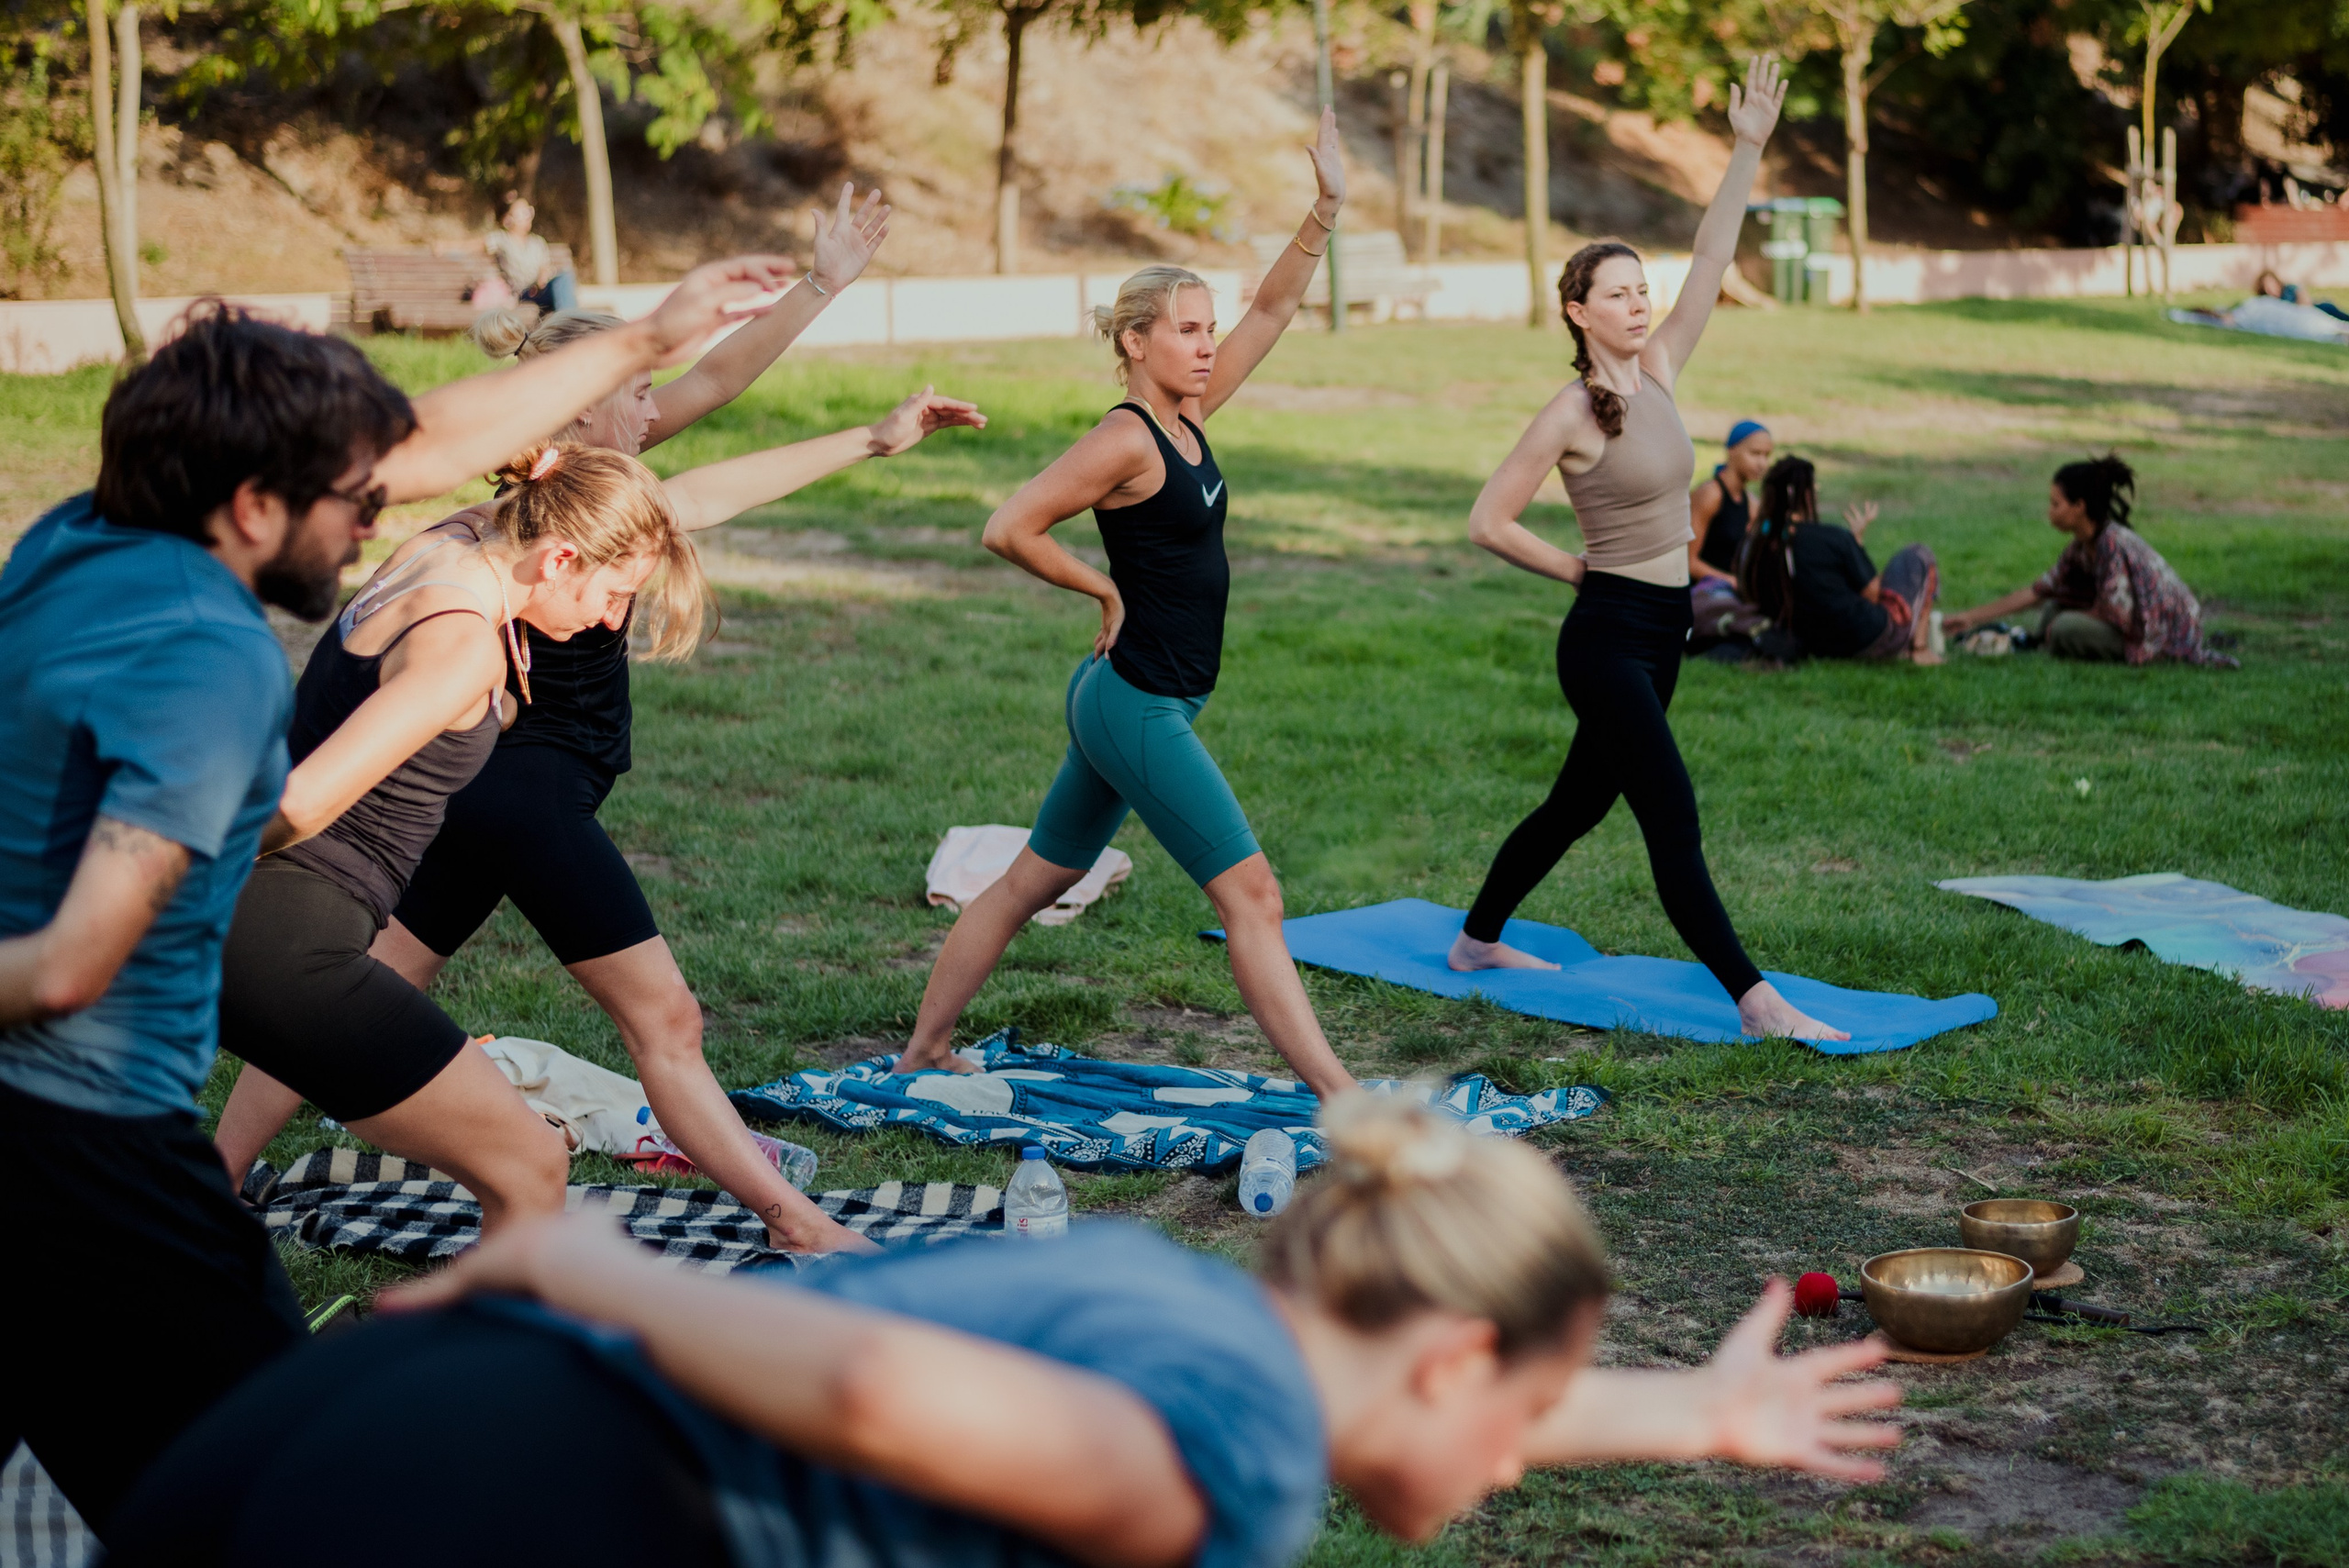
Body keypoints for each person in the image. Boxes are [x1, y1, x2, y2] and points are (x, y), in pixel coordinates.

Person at [0, 258, 788, 1536]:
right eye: (349, 501)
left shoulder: (75, 539)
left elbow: (424, 445)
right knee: (283, 1495)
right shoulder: (208, 662)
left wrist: (644, 335)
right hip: (84, 1138)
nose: (376, 514)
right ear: (255, 504)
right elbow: (80, 960)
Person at [105, 1093, 1903, 1568]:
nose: (1520, 1454)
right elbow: (885, 1386)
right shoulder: (1239, 1449)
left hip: (370, 1419)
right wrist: (587, 1254)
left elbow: (1457, 1407)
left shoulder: (1180, 1299)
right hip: (511, 1493)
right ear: (1441, 1350)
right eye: (1520, 1423)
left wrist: (1693, 1413)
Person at [216, 382, 985, 1251]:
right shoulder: (463, 640)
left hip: (287, 927)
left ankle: (217, 1184)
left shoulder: (461, 537)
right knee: (603, 1088)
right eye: (614, 595)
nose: (612, 620)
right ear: (560, 558)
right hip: (317, 915)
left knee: (440, 1064)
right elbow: (297, 800)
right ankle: (791, 1227)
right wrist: (143, 880)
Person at [359, 185, 910, 1240]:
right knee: (667, 1019)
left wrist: (824, 281)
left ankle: (218, 1168)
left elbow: (721, 374)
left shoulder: (593, 467)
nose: (658, 406)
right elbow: (702, 491)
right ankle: (797, 1222)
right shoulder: (561, 509)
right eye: (638, 391)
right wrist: (869, 441)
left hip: (492, 794)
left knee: (352, 996)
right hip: (529, 801)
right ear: (577, 405)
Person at [888, 113, 1357, 1097]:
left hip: (1149, 698)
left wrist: (1322, 211)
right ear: (1137, 342)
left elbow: (1269, 313)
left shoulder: (1188, 409)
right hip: (1134, 698)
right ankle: (1341, 1097)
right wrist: (1099, 583)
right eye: (1187, 330)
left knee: (1027, 880)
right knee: (1253, 894)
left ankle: (923, 1046)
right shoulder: (1128, 436)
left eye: (1205, 328)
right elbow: (1009, 523)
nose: (1207, 342)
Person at [1444, 59, 1847, 1045]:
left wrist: (1748, 144)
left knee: (1576, 802)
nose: (1636, 303)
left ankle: (1477, 940)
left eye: (1640, 290)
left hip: (1664, 631)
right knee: (1671, 814)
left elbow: (1711, 257)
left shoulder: (1661, 369)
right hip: (1607, 637)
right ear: (1577, 310)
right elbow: (1488, 520)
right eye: (1615, 293)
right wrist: (1576, 570)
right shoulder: (1572, 409)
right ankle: (1758, 1004)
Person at [1943, 455, 2236, 667]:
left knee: (2062, 627)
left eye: (2056, 504)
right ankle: (2048, 640)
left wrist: (2066, 621)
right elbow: (2037, 592)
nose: (2050, 512)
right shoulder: (2082, 548)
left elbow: (2118, 614)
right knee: (2053, 610)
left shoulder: (2111, 543)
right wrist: (1971, 617)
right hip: (2129, 622)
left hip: (2160, 634)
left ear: (2079, 507)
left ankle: (2059, 643)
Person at [1738, 456, 1941, 663]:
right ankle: (1919, 649)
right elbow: (1872, 594)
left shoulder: (1759, 545)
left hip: (1815, 644)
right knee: (1918, 554)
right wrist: (1856, 546)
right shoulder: (1834, 538)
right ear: (1806, 495)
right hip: (1868, 639)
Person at [1687, 419, 1772, 653]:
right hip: (1701, 590)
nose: (1762, 463)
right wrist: (1731, 581)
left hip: (1731, 590)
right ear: (1731, 451)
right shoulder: (1710, 495)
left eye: (1767, 455)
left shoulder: (1751, 504)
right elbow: (1687, 561)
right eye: (1755, 453)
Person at [481, 195, 578, 316]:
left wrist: (542, 277)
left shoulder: (537, 242)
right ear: (508, 220)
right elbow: (482, 244)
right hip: (522, 293)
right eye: (521, 214)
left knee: (564, 277)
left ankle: (569, 321)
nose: (527, 217)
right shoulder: (502, 239)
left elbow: (545, 266)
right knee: (561, 287)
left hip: (540, 290)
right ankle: (571, 323)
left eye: (529, 212)